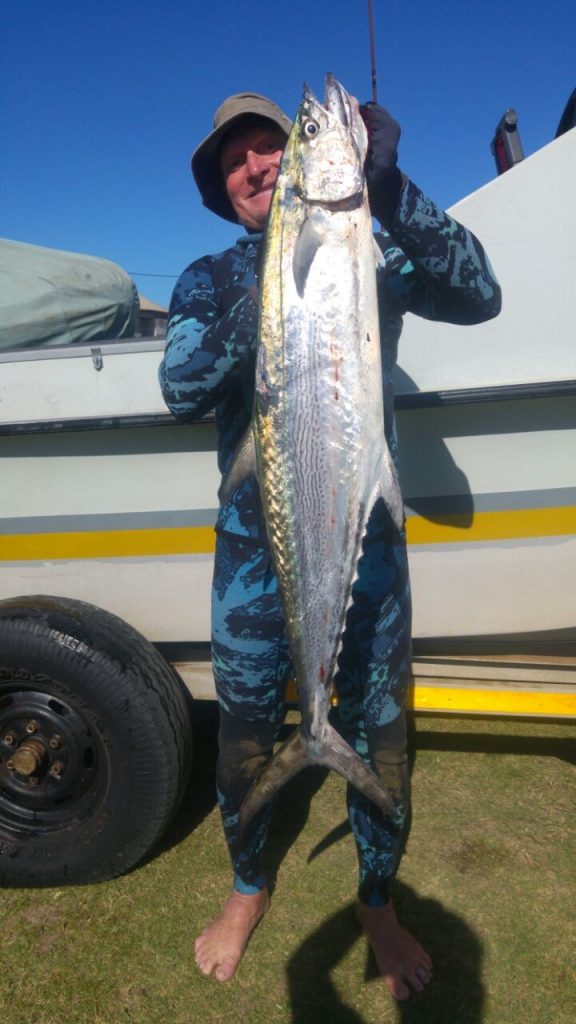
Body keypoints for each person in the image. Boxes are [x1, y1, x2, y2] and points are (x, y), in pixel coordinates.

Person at [159, 90, 501, 1000]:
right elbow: (181, 387)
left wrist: (393, 196)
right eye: (234, 162)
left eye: (273, 146)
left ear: (309, 164)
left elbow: (479, 294)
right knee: (240, 740)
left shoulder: (371, 245)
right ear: (221, 189)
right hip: (252, 568)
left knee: (383, 736)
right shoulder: (207, 279)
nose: (257, 167)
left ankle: (377, 900)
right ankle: (247, 884)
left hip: (366, 547)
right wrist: (276, 280)